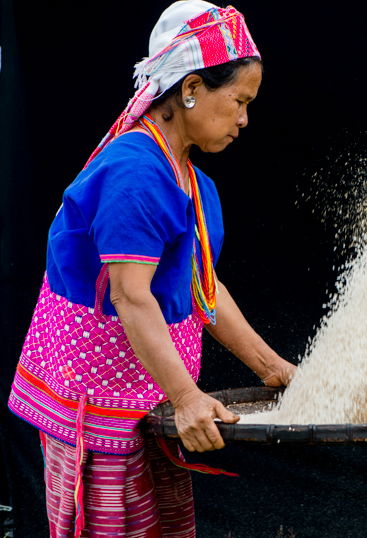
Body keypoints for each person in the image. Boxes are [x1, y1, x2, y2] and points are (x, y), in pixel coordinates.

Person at [6, 1, 295, 536]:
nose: (244, 119)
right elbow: (131, 297)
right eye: (238, 100)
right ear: (189, 89)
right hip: (101, 406)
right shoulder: (136, 173)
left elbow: (202, 286)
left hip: (151, 395)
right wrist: (187, 397)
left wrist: (273, 369)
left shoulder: (191, 181)